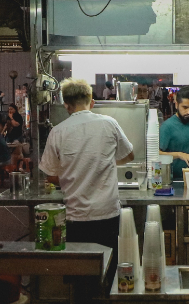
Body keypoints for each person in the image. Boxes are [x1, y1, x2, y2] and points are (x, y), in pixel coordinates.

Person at [39, 78, 134, 279]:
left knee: (80, 276)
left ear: (66, 105)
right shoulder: (109, 123)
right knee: (108, 275)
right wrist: (104, 163)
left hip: (75, 219)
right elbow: (129, 155)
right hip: (107, 215)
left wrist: (71, 175)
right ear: (92, 102)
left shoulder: (57, 131)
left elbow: (51, 175)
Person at [159, 88, 189, 178]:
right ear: (177, 105)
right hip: (172, 179)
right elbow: (157, 153)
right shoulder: (167, 126)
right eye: (185, 107)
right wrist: (179, 154)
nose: (188, 112)